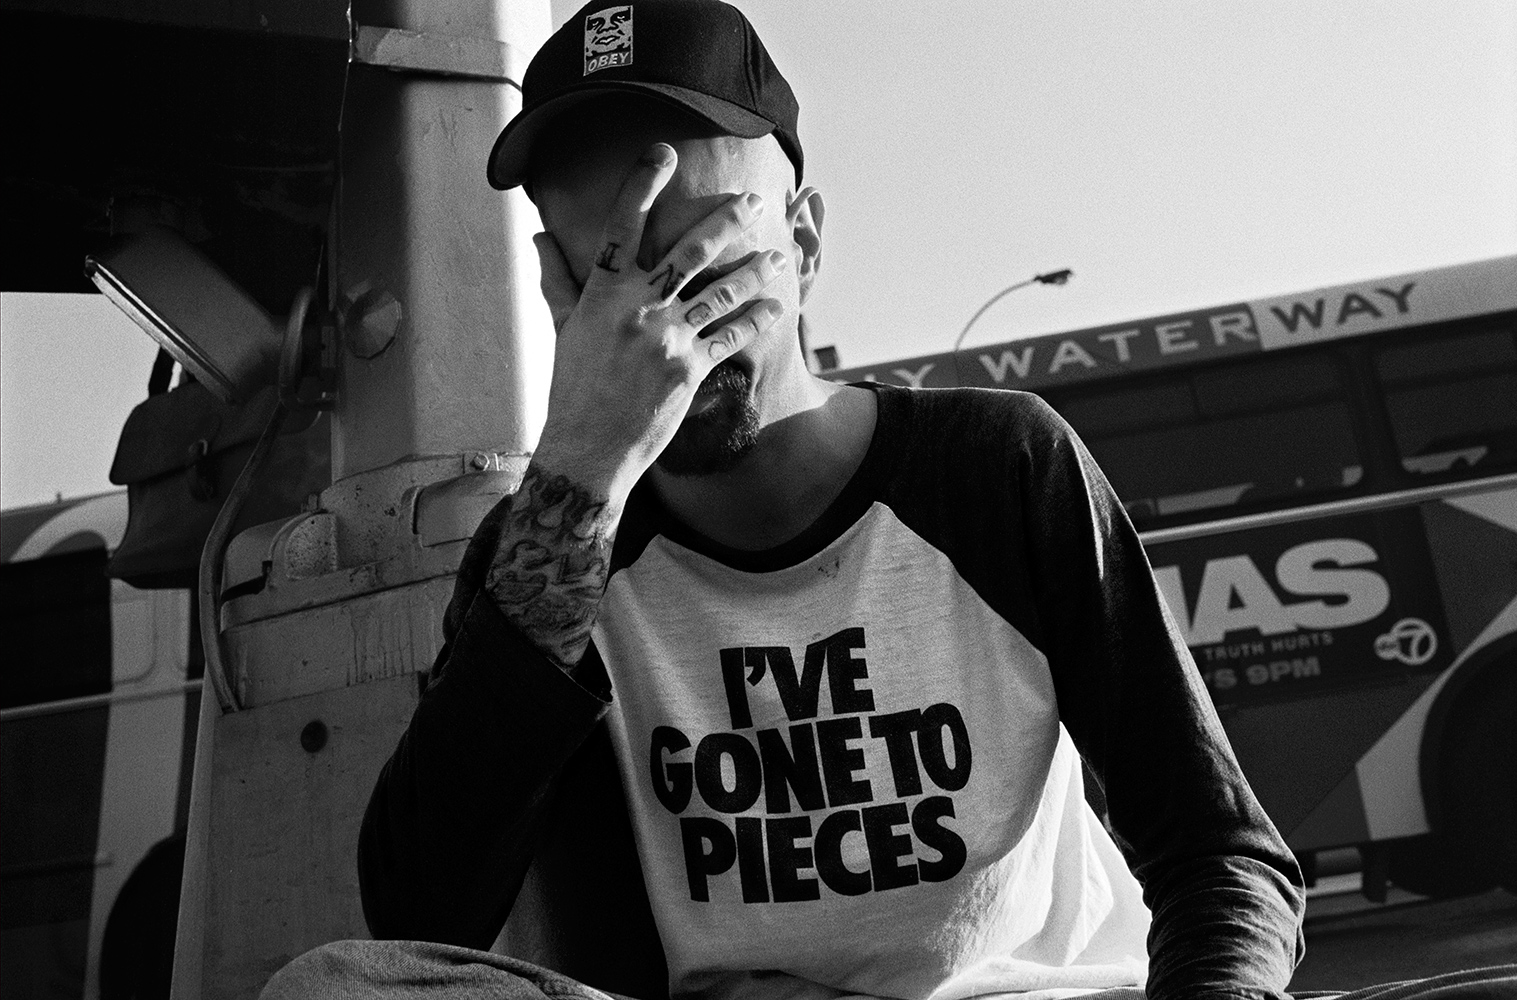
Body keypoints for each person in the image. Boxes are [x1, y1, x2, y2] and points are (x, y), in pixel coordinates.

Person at [264, 3, 1517, 999]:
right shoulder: (549, 547)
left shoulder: (996, 470)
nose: (658, 324)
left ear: (804, 241)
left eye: (698, 248)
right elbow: (420, 914)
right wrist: (582, 480)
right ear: (550, 287)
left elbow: (1224, 856)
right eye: (607, 273)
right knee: (331, 989)